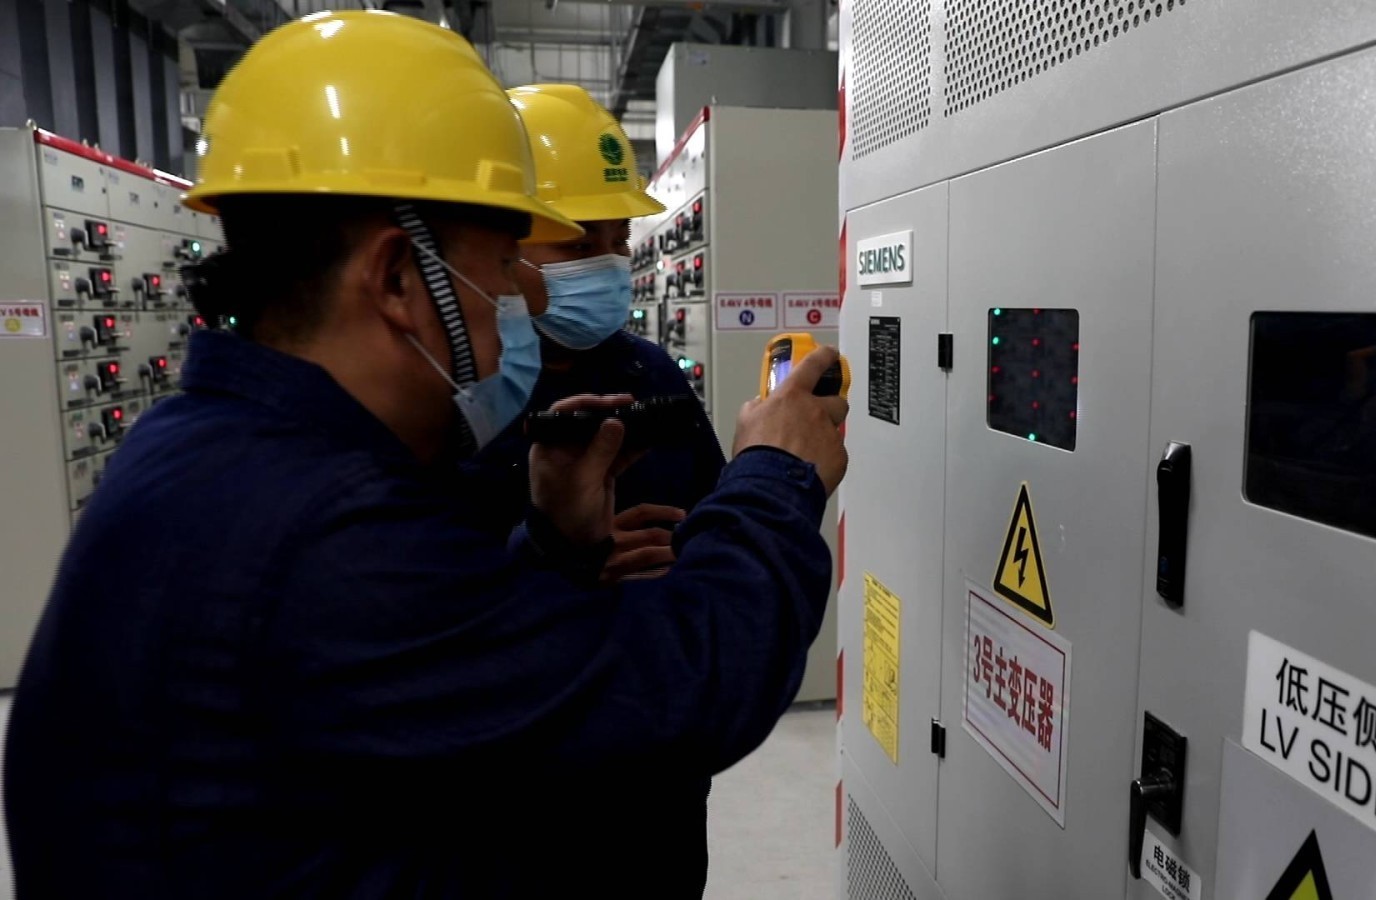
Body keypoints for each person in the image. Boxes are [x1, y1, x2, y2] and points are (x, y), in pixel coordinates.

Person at [2, 11, 847, 900]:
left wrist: (553, 543)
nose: (520, 300)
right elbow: (682, 689)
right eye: (505, 262)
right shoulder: (327, 532)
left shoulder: (199, 449)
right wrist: (777, 473)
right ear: (399, 277)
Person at [502, 83, 729, 893]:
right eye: (577, 242)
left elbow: (711, 507)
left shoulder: (647, 369)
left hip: (659, 764)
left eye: (618, 239)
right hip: (530, 777)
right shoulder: (471, 391)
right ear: (501, 246)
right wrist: (559, 559)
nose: (607, 262)